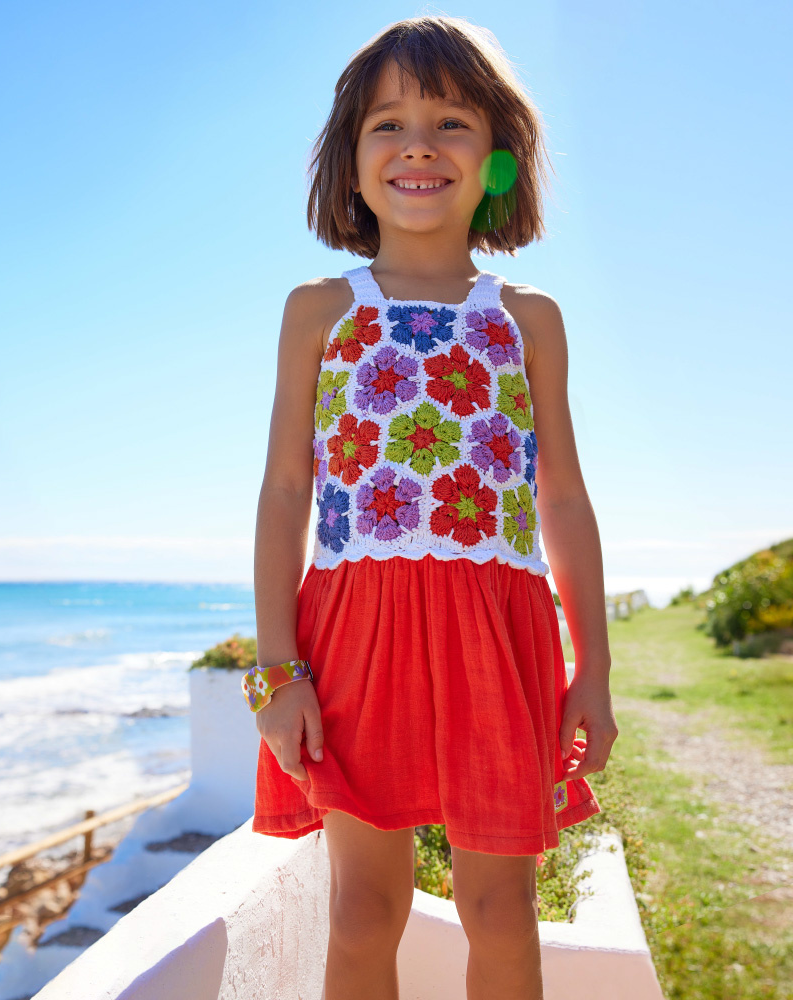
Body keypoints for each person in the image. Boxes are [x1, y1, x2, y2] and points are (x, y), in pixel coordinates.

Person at [247, 15, 619, 1000]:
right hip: (353, 637)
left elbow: (563, 496)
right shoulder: (319, 309)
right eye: (387, 124)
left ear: (496, 158)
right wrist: (275, 669)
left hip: (495, 635)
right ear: (352, 164)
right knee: (363, 911)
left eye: (450, 121)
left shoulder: (526, 317)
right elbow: (286, 490)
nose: (417, 143)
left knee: (500, 914)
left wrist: (593, 671)